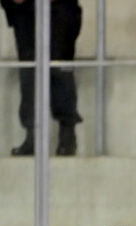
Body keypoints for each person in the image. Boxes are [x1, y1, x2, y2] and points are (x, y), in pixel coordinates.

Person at [2, 0, 82, 156]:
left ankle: (67, 134)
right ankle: (33, 135)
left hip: (59, 9)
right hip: (25, 10)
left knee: (60, 67)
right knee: (28, 71)